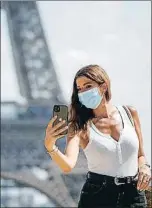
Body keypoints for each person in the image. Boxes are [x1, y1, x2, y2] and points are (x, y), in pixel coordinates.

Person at [44, 65, 151, 208]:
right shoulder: (79, 126)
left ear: (104, 86)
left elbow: (140, 155)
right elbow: (68, 165)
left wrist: (144, 167)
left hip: (134, 194)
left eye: (88, 86)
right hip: (98, 195)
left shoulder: (130, 113)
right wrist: (50, 145)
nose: (83, 92)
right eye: (79, 89)